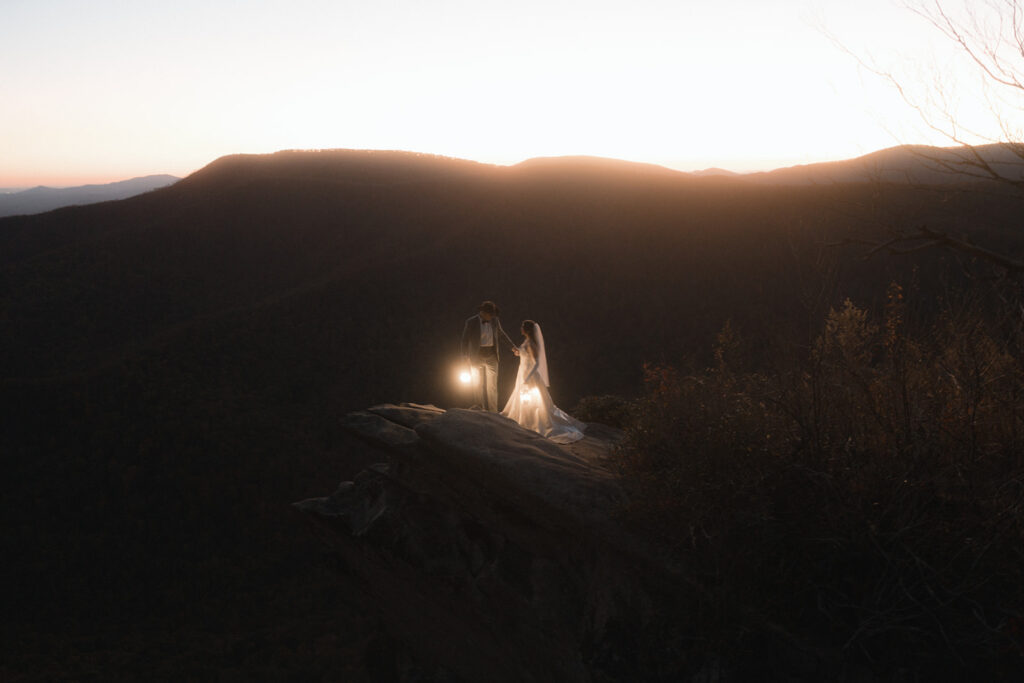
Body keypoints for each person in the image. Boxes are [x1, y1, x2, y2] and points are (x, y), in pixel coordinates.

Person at [501, 320, 585, 443]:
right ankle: (525, 418)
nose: (520, 328)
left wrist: (527, 378)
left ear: (526, 330)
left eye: (522, 327)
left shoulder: (530, 343)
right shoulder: (527, 341)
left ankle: (531, 421)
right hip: (523, 372)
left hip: (528, 374)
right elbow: (526, 355)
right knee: (523, 397)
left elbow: (536, 363)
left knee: (533, 399)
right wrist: (519, 352)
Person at [461, 301, 518, 412]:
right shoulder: (471, 322)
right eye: (490, 315)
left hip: (492, 355)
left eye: (493, 315)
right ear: (483, 312)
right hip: (476, 356)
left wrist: (512, 347)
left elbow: (501, 334)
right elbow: (465, 340)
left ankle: (493, 411)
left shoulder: (495, 320)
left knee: (492, 386)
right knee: (477, 384)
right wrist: (465, 356)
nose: (492, 317)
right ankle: (480, 409)